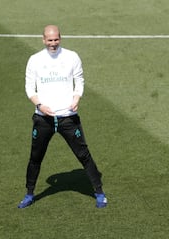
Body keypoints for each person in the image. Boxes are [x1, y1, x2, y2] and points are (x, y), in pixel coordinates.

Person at [18, 25, 107, 209]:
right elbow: (29, 88)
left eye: (56, 39)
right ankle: (29, 194)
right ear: (43, 40)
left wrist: (77, 98)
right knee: (35, 157)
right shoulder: (34, 60)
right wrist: (40, 105)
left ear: (60, 38)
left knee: (84, 155)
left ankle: (99, 193)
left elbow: (79, 79)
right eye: (49, 40)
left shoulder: (72, 56)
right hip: (43, 119)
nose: (53, 43)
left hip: (68, 117)